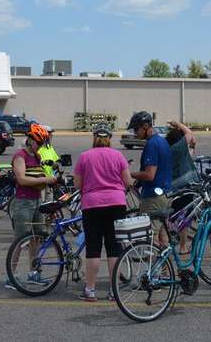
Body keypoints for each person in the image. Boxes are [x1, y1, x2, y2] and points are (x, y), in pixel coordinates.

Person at [74, 126, 135, 302]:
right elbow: (128, 181)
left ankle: (90, 289)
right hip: (116, 203)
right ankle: (113, 290)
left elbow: (78, 184)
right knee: (113, 247)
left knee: (93, 248)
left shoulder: (85, 156)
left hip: (91, 204)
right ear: (109, 139)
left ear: (94, 138)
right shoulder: (118, 156)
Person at [7, 124, 57, 290]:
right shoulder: (20, 156)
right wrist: (45, 180)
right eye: (38, 143)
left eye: (42, 144)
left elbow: (39, 174)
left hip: (36, 201)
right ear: (30, 140)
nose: (40, 146)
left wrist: (49, 177)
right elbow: (21, 179)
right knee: (20, 240)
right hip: (23, 202)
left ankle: (33, 273)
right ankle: (10, 276)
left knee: (36, 240)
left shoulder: (36, 157)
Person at [128, 111, 172, 247]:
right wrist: (138, 182)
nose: (135, 133)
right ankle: (166, 267)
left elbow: (149, 174)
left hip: (153, 196)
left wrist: (130, 174)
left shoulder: (151, 145)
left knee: (150, 237)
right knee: (163, 234)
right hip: (166, 193)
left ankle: (154, 267)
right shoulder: (162, 141)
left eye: (137, 129)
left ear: (146, 126)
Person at [165, 120, 198, 192]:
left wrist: (192, 147)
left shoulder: (169, 150)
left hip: (174, 185)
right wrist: (176, 123)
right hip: (184, 183)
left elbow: (189, 157)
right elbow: (189, 133)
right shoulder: (177, 148)